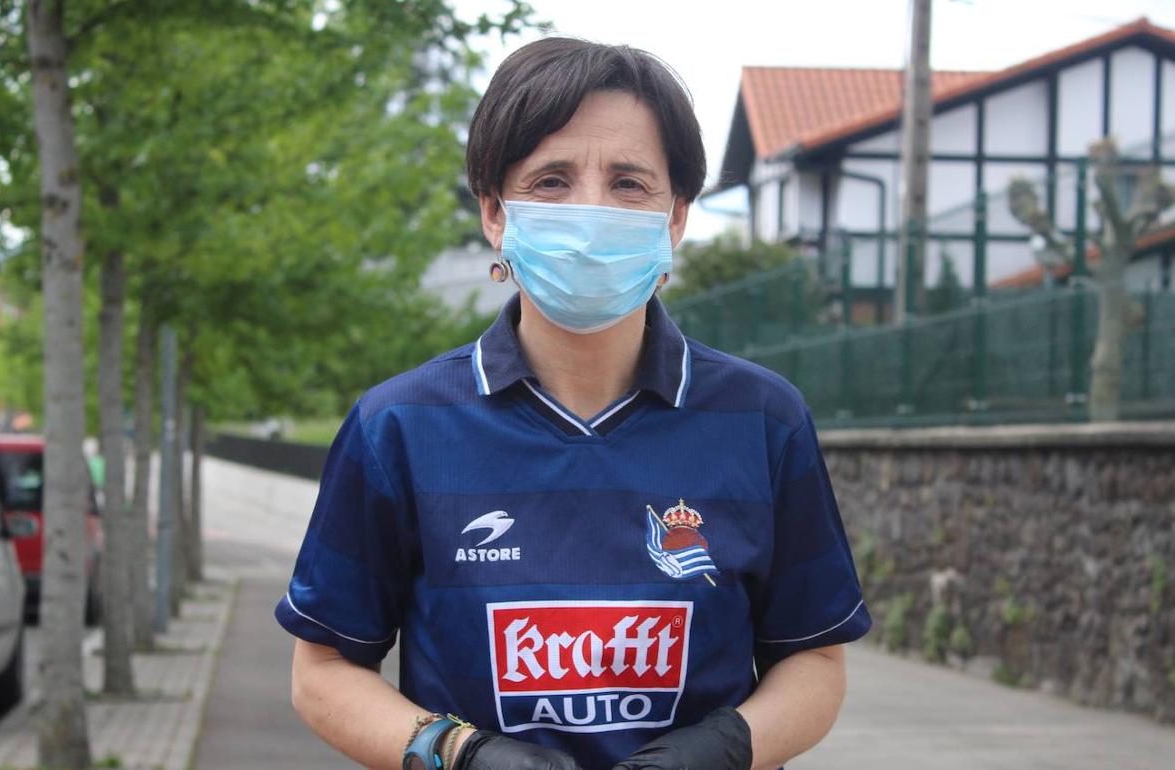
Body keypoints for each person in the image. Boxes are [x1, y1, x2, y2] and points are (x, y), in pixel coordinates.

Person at [275, 37, 871, 770]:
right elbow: (324, 671)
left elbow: (814, 661)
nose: (590, 212)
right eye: (551, 181)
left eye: (629, 183)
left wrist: (720, 750)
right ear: (495, 213)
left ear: (676, 216)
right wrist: (460, 754)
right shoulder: (397, 427)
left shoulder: (764, 422)